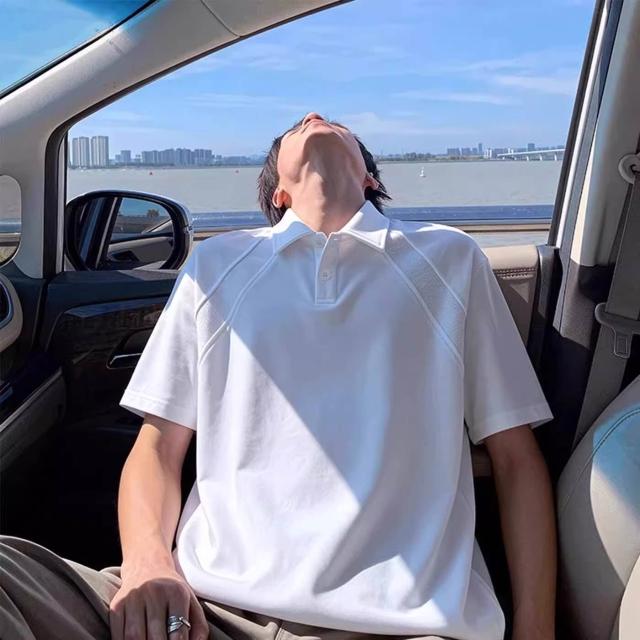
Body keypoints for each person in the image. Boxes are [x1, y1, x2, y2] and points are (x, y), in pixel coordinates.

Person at [0, 112, 557, 640]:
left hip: (402, 625)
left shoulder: (449, 258)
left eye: (336, 126)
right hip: (204, 611)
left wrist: (537, 630)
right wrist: (149, 565)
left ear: (368, 179)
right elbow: (157, 448)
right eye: (296, 127)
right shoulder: (217, 264)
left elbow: (515, 458)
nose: (314, 116)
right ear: (278, 194)